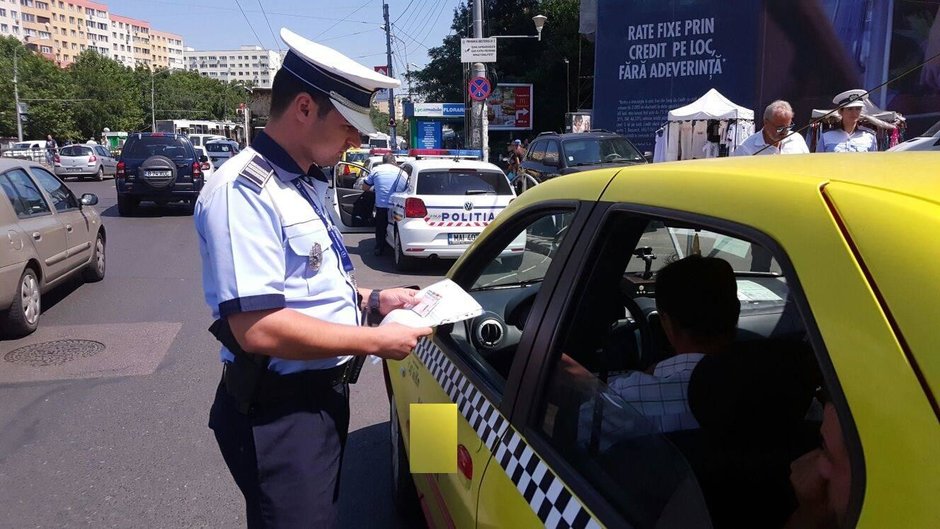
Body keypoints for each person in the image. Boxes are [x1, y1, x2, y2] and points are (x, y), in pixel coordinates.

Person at [194, 27, 431, 528]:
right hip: (279, 414)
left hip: (317, 399)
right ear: (304, 107)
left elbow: (310, 285)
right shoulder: (244, 190)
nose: (357, 139)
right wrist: (374, 341)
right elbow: (257, 328)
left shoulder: (301, 182)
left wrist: (373, 299)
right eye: (348, 124)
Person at [608, 255, 740, 432]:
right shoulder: (773, 378)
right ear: (736, 311)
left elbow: (575, 426)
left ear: (667, 322)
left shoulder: (629, 395)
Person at [361, 153, 406, 255]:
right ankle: (397, 247)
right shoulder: (402, 172)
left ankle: (379, 247)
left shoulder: (376, 170)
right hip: (397, 205)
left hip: (382, 206)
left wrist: (376, 188)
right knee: (397, 226)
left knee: (380, 227)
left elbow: (365, 187)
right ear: (394, 161)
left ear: (383, 161)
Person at [733, 100, 810, 156]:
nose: (784, 132)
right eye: (780, 128)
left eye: (788, 127)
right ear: (766, 123)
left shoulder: (797, 139)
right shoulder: (745, 148)